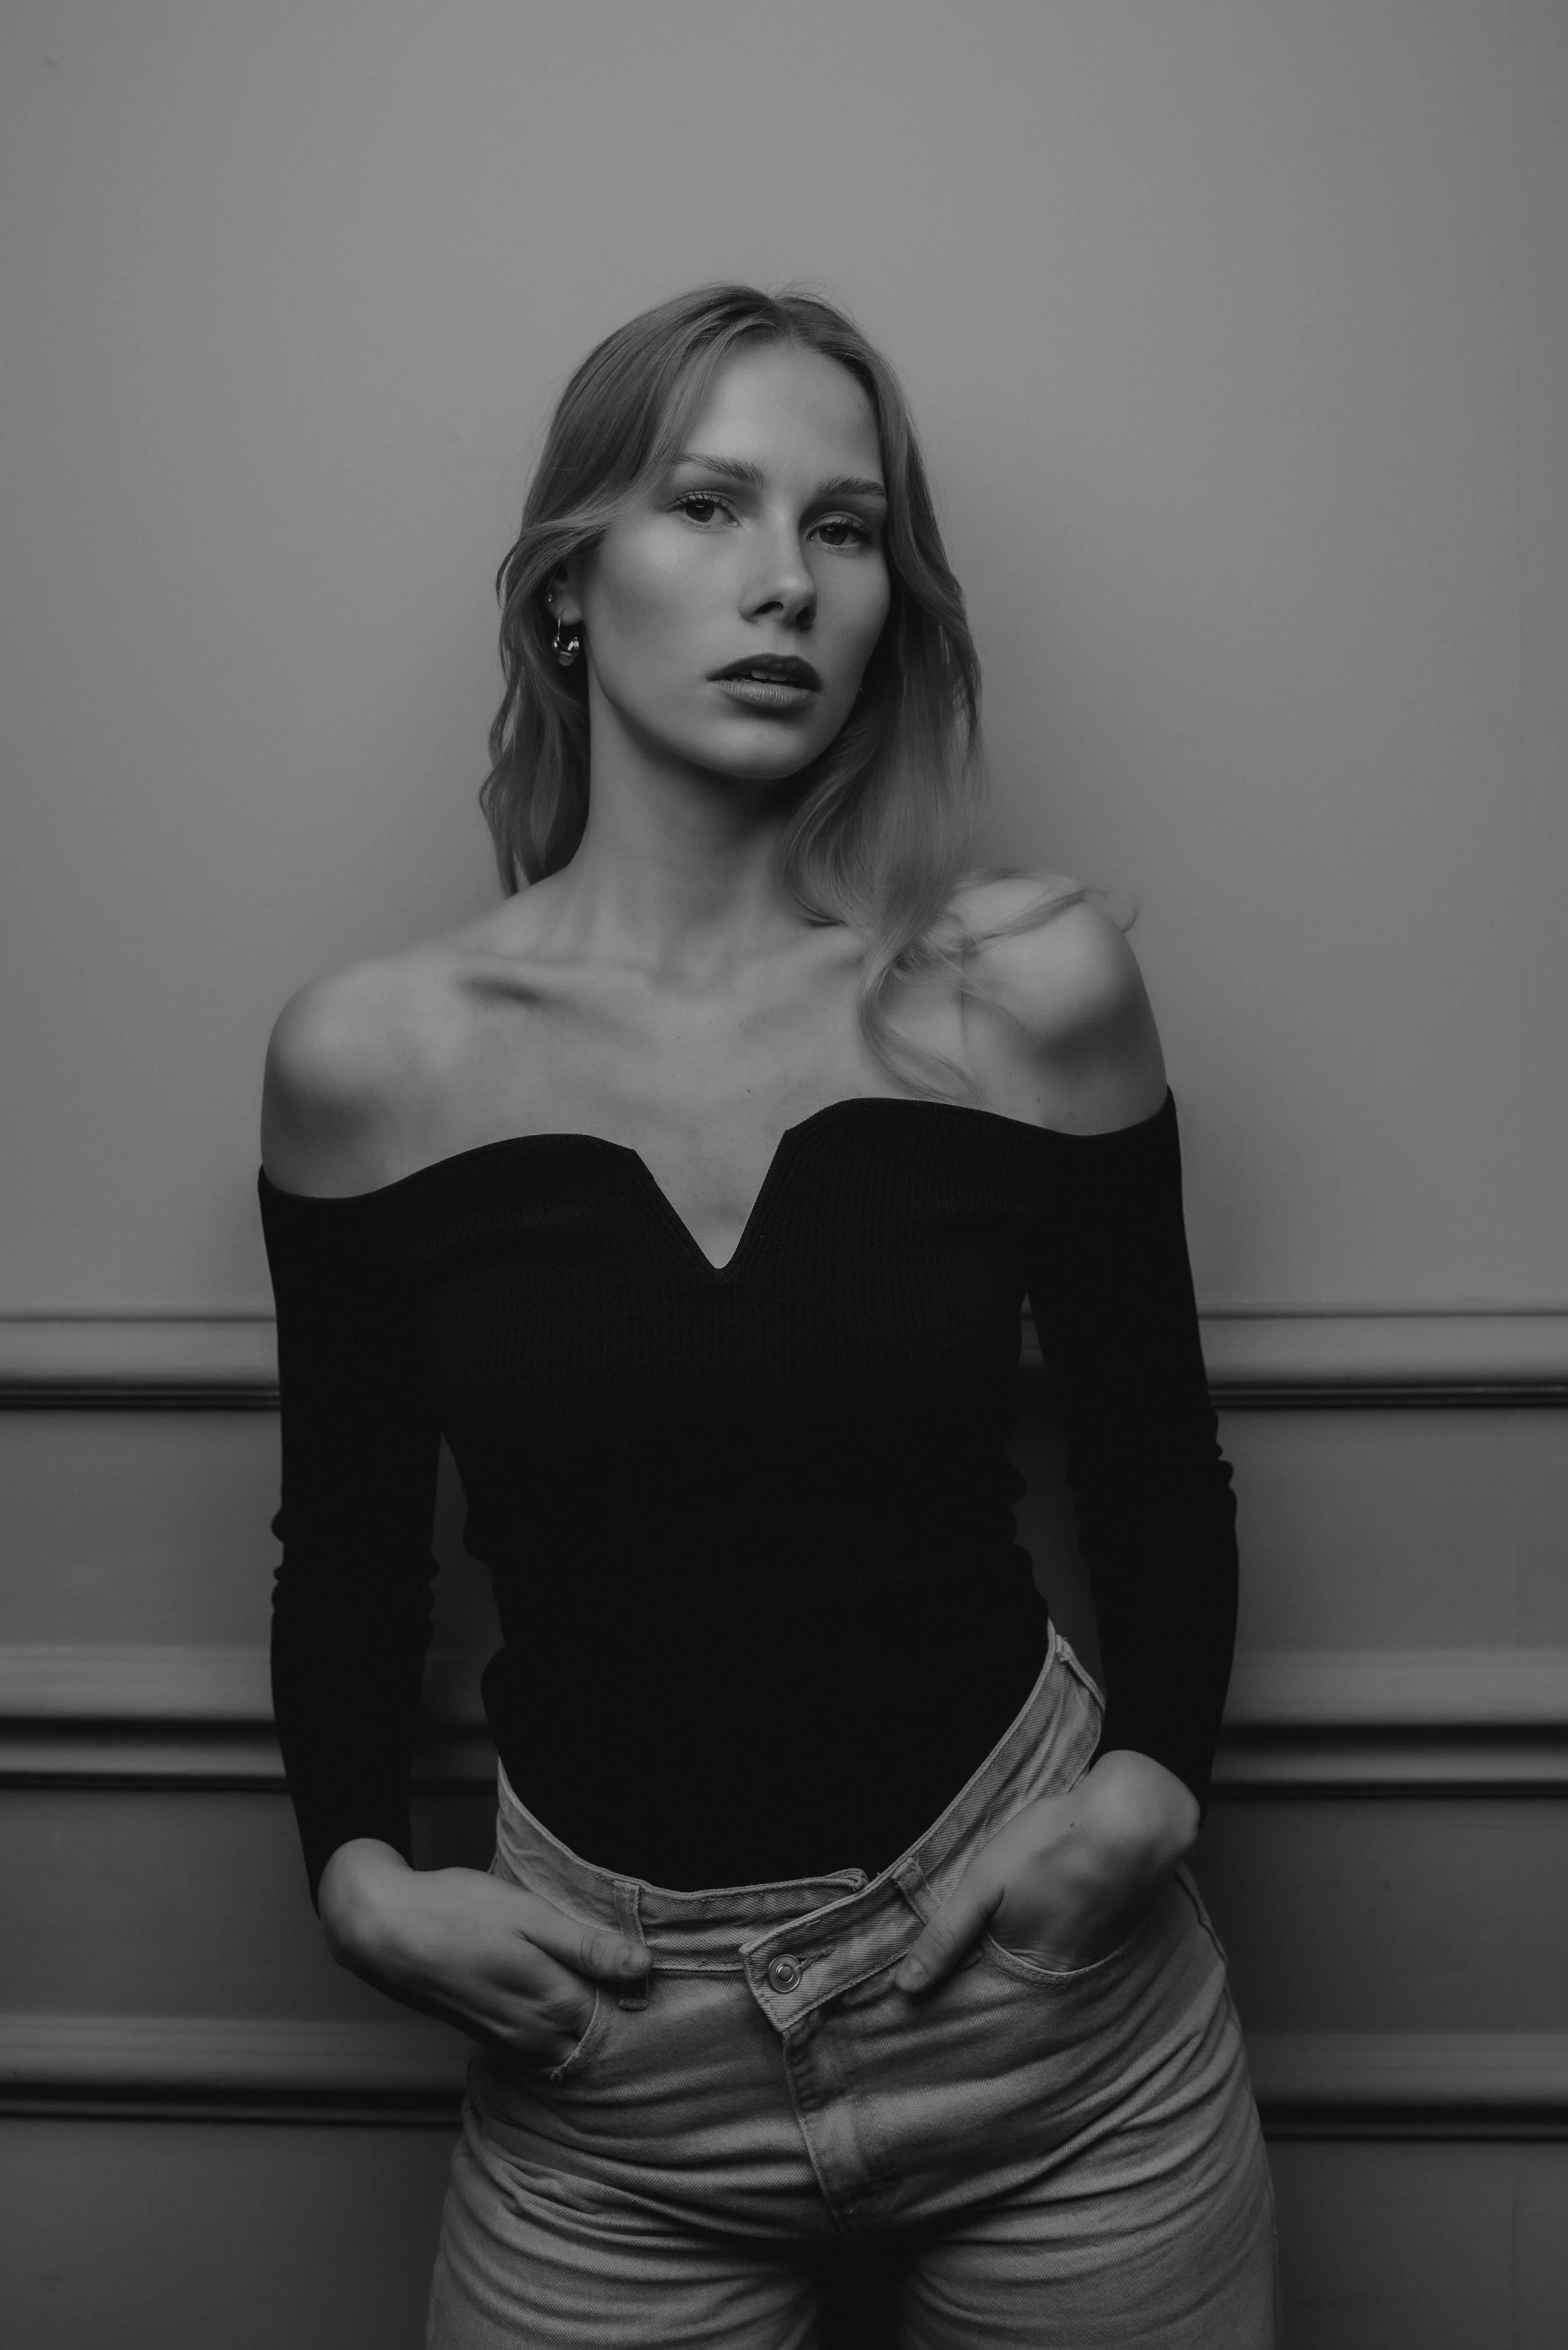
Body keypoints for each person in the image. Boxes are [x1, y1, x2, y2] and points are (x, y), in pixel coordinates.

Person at [257, 282, 1278, 2349]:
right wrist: (353, 1874)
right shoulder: (371, 1055)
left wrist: (1155, 1782)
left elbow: (1152, 1458)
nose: (782, 585)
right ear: (571, 586)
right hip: (610, 2071)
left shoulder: (1029, 991)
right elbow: (353, 1548)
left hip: (1055, 2027)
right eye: (707, 506)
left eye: (842, 528)